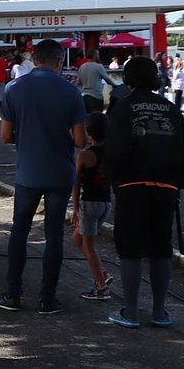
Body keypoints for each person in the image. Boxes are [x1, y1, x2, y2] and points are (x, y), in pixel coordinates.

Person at [0, 38, 86, 314]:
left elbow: (5, 136)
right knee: (54, 235)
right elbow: (80, 141)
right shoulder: (71, 93)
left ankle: (13, 293)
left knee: (19, 232)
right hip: (60, 174)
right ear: (60, 61)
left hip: (27, 173)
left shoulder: (13, 88)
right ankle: (47, 297)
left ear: (33, 60)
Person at [104, 56, 184, 328]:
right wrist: (179, 182)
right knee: (160, 249)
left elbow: (115, 150)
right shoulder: (169, 108)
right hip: (166, 186)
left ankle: (130, 312)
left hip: (131, 186)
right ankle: (159, 312)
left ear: (127, 79)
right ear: (155, 79)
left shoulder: (123, 107)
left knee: (130, 250)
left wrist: (115, 180)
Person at [71, 112, 113, 300]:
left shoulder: (85, 156)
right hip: (105, 203)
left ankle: (102, 288)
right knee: (77, 239)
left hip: (89, 204)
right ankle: (102, 274)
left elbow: (76, 183)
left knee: (89, 245)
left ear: (89, 134)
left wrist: (75, 208)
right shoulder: (112, 154)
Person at [77, 49, 117, 115]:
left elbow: (79, 82)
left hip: (84, 96)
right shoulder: (98, 66)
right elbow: (107, 79)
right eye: (98, 54)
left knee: (87, 118)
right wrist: (115, 85)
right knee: (96, 119)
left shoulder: (82, 67)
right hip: (96, 96)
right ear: (95, 55)